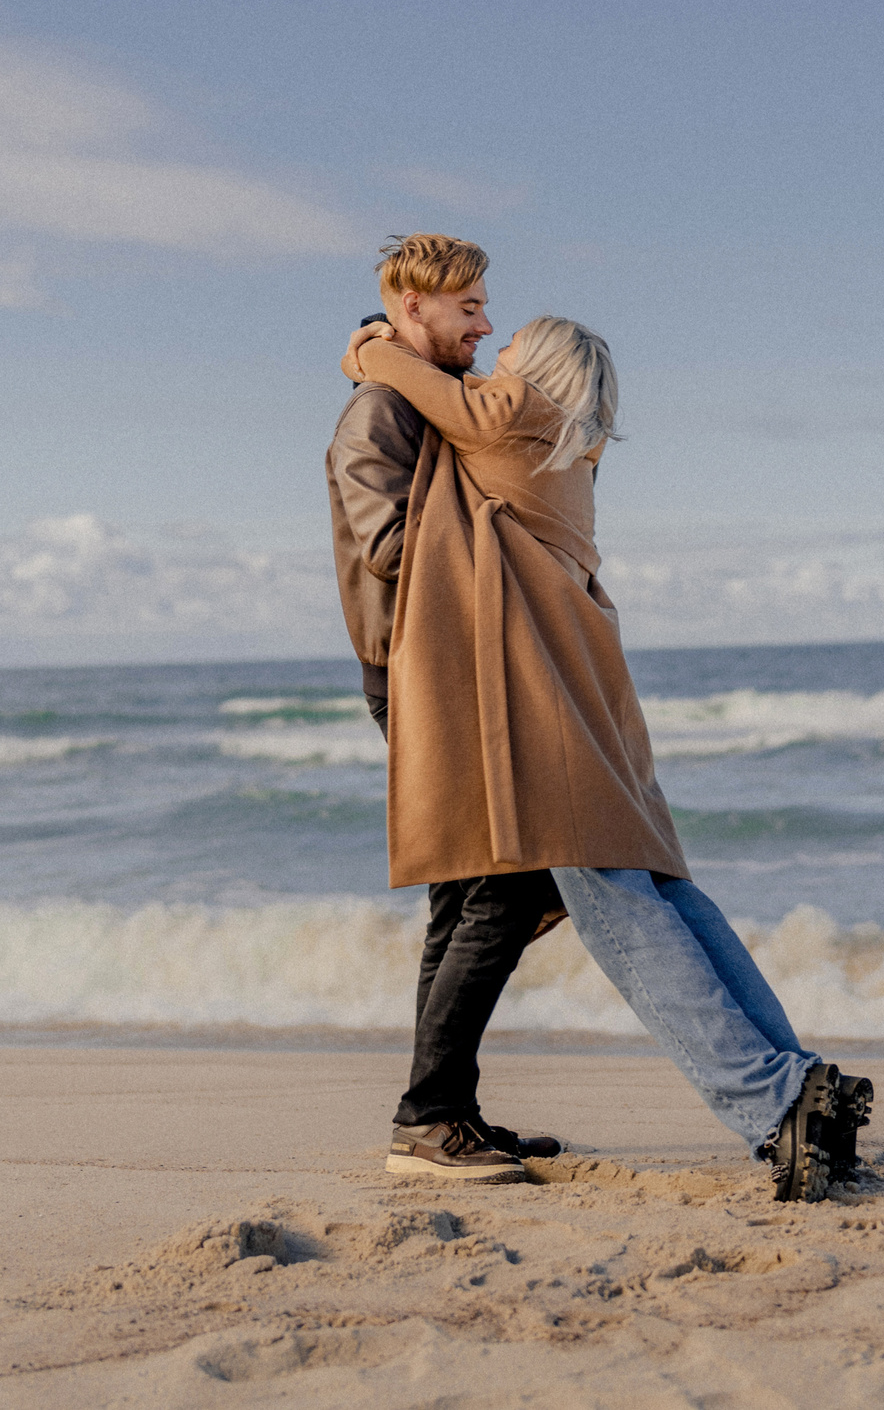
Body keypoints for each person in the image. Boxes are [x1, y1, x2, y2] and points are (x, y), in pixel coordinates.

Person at [341, 308, 874, 1202]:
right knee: (667, 892)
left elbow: (414, 382)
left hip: (550, 702)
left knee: (619, 911)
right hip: (597, 697)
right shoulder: (575, 448)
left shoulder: (512, 410)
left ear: (535, 368)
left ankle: (773, 1097)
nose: (491, 342)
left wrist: (369, 341)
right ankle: (802, 1080)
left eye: (506, 342)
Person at [325, 235, 568, 1185]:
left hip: (451, 667)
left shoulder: (426, 404)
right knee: (507, 886)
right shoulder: (378, 413)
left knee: (462, 898)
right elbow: (393, 545)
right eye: (467, 308)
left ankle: (441, 1112)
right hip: (418, 671)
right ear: (410, 310)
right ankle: (428, 1117)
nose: (485, 322)